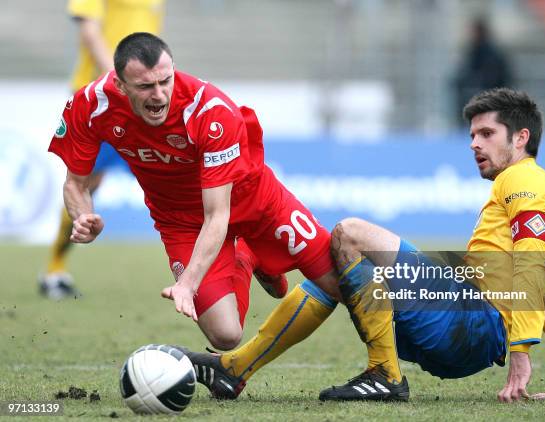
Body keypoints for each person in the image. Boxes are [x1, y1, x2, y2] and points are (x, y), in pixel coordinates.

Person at [47, 33, 405, 388]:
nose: (158, 95)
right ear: (121, 86)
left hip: (256, 202)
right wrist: (83, 216)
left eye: (165, 81)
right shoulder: (91, 104)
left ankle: (385, 374)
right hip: (180, 220)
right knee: (226, 335)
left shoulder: (210, 111)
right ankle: (246, 258)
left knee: (347, 288)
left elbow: (218, 214)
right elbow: (75, 184)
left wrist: (187, 284)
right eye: (145, 87)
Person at [185, 88, 545, 403]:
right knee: (334, 263)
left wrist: (520, 351)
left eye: (487, 134)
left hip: (473, 320)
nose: (474, 144)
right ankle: (235, 368)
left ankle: (385, 375)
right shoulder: (526, 187)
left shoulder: (523, 180)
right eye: (472, 135)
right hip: (465, 330)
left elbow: (534, 264)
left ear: (521, 138)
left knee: (351, 234)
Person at [40, 0, 165, 299]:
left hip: (144, 96)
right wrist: (122, 80)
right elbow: (90, 32)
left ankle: (207, 267)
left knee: (171, 173)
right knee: (84, 183)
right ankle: (54, 270)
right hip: (103, 96)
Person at [454, 18, 513, 127]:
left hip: (491, 89)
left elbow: (495, 76)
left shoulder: (491, 52)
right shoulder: (474, 50)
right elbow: (469, 70)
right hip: (480, 87)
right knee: (456, 85)